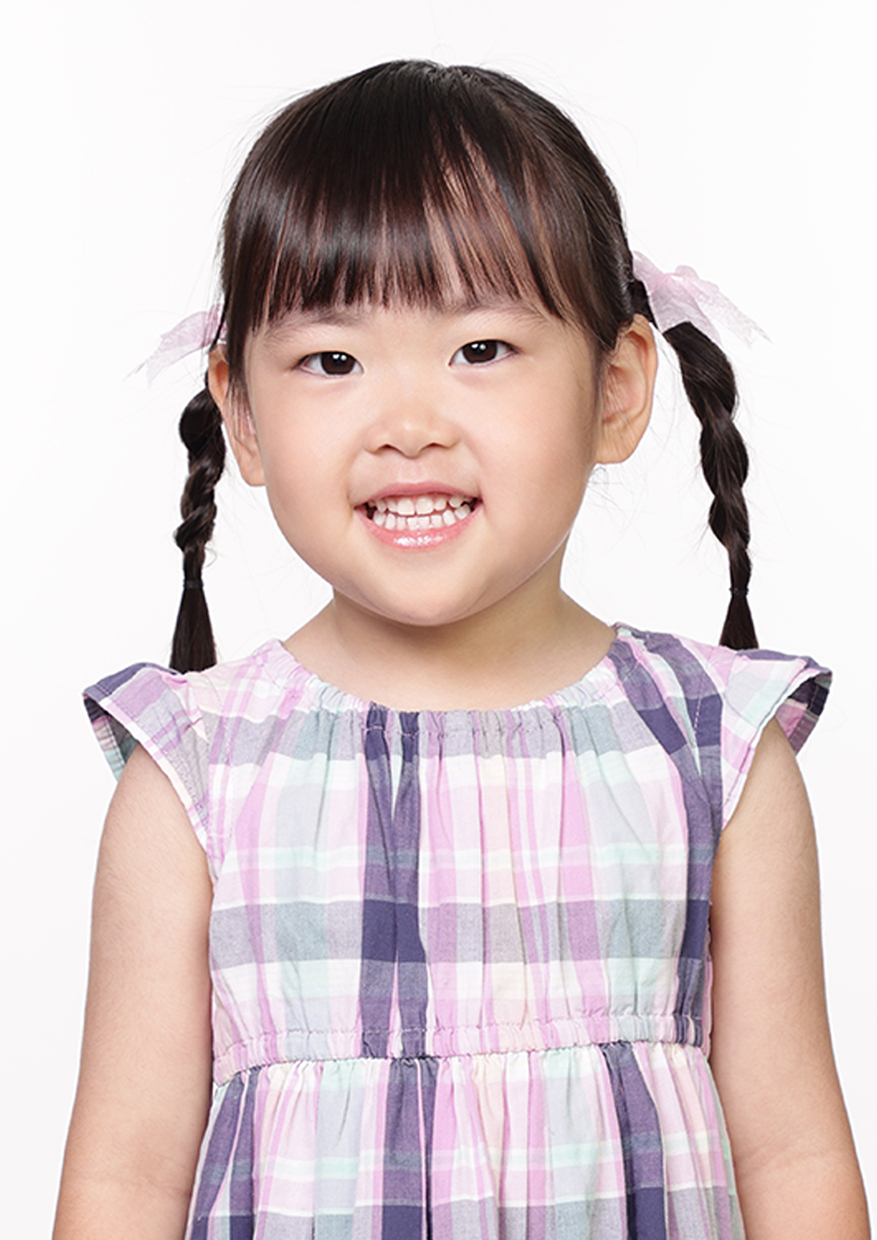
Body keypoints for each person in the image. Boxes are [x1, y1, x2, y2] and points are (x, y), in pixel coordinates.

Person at [53, 60, 868, 1240]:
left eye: (481, 348)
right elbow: (126, 1178)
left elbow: (791, 1152)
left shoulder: (716, 753)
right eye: (332, 360)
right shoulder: (196, 771)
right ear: (242, 413)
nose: (408, 424)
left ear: (616, 389)